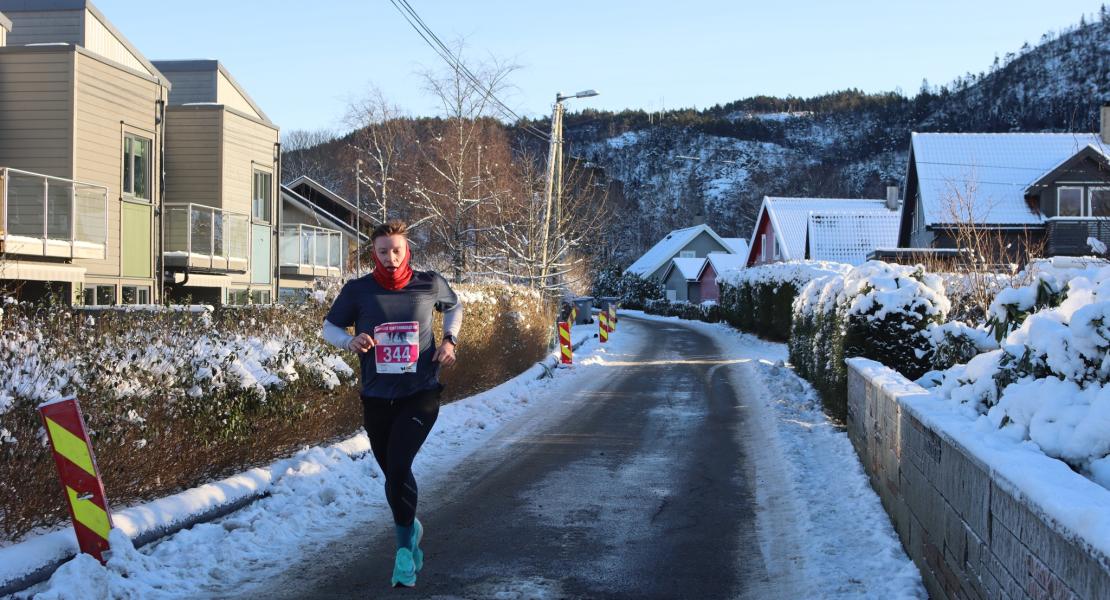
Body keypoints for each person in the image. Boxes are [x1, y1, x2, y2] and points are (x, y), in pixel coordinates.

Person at [322, 220, 462, 588]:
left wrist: (449, 341)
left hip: (421, 394)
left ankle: (403, 554)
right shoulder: (358, 290)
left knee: (399, 466)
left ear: (407, 251)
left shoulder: (428, 284)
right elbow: (329, 327)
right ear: (374, 253)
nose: (391, 257)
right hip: (376, 397)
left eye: (396, 250)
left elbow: (455, 307)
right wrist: (349, 341)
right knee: (393, 475)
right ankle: (411, 527)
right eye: (383, 251)